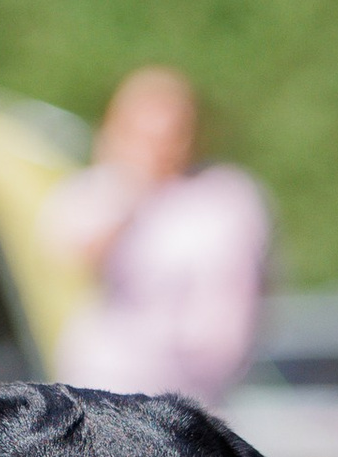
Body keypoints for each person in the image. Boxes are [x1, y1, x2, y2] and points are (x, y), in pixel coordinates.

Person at [41, 65, 272, 412]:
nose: (161, 144)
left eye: (173, 131)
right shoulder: (94, 191)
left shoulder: (227, 196)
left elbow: (245, 287)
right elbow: (74, 257)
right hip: (105, 385)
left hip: (198, 391)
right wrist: (127, 185)